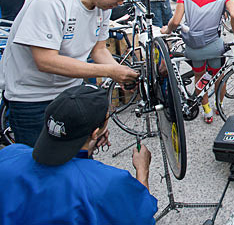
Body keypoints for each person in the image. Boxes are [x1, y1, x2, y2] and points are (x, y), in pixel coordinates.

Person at [0, 0, 140, 147]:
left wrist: (120, 73)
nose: (120, 3)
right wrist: (109, 71)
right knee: (40, 165)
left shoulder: (102, 9)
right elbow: (46, 61)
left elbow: (98, 50)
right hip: (33, 99)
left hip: (69, 95)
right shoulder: (51, 2)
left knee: (76, 160)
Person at [0, 84, 157, 224]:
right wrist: (142, 169)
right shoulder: (106, 183)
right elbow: (141, 216)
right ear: (96, 132)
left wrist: (88, 144)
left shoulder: (9, 155)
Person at [162, 0, 234, 124]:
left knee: (199, 76)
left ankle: (207, 113)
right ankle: (218, 106)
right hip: (215, 45)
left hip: (193, 46)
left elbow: (176, 21)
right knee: (218, 76)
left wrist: (167, 30)